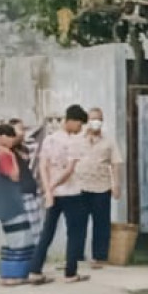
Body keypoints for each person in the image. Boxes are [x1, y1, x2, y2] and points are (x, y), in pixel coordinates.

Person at [30, 105, 91, 284]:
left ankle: (35, 270)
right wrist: (54, 186)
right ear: (71, 121)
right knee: (74, 233)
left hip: (53, 195)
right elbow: (69, 170)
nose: (80, 129)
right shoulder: (74, 142)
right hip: (71, 193)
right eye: (79, 124)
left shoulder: (49, 139)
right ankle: (70, 273)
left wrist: (48, 189)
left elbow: (43, 166)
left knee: (47, 232)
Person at [74, 106, 123, 268]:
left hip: (102, 187)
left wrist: (116, 184)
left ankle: (100, 256)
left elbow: (116, 163)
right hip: (80, 186)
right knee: (78, 222)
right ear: (87, 121)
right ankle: (76, 255)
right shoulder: (77, 139)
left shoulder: (109, 141)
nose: (96, 123)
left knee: (101, 223)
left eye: (99, 120)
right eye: (93, 119)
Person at [0, 124, 33, 286]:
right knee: (19, 238)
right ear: (0, 137)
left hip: (6, 203)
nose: (11, 140)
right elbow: (14, 175)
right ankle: (14, 275)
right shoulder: (4, 155)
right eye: (8, 136)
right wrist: (12, 157)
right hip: (10, 204)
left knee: (17, 238)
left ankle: (14, 274)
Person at [7, 118, 43, 244]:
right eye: (20, 129)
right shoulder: (7, 149)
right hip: (19, 196)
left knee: (36, 232)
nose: (23, 132)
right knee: (23, 234)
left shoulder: (23, 149)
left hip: (31, 194)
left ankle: (34, 259)